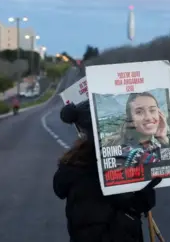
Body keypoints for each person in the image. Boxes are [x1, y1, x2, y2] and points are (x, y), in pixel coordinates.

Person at [54, 100, 162, 242]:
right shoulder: (124, 160)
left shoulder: (73, 162)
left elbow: (59, 188)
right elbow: (140, 204)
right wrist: (147, 185)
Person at [103, 92, 170, 167]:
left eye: (152, 110)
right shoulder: (133, 153)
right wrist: (165, 142)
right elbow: (168, 168)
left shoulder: (153, 146)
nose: (148, 117)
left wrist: (162, 138)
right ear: (130, 120)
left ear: (160, 115)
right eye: (139, 112)